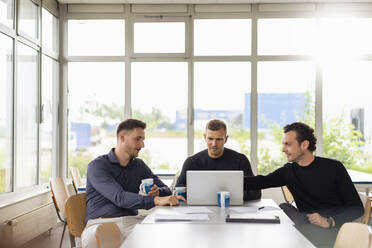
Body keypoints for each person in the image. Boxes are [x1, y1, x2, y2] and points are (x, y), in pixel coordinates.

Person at [244, 122, 363, 248]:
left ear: (305, 145)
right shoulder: (289, 171)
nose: (283, 149)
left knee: (281, 236)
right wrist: (227, 180)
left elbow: (357, 208)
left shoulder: (334, 168)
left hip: (330, 230)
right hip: (306, 223)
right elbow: (260, 181)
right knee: (284, 209)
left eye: (288, 144)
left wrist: (330, 221)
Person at [83, 119, 185, 246]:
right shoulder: (98, 166)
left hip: (132, 221)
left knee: (172, 233)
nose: (142, 145)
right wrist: (156, 200)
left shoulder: (138, 165)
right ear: (122, 138)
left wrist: (159, 192)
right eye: (137, 139)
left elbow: (166, 189)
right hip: (101, 224)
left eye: (143, 139)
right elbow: (120, 197)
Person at [176, 119, 261, 201]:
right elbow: (178, 190)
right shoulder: (192, 162)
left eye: (219, 139)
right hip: (199, 211)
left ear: (226, 139)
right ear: (205, 137)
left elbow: (256, 191)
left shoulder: (240, 160)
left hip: (232, 209)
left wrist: (236, 196)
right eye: (210, 139)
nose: (214, 144)